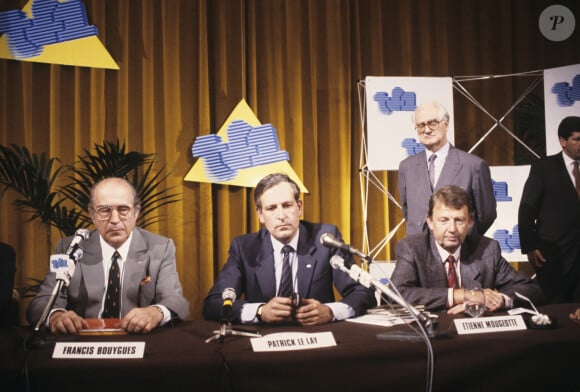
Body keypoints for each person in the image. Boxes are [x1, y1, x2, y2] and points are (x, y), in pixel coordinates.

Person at [203, 173, 372, 325]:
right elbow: (213, 304)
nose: (281, 216)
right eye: (271, 208)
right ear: (260, 215)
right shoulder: (244, 248)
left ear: (299, 207)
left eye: (287, 205)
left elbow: (363, 293)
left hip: (317, 338)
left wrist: (330, 311)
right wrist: (260, 311)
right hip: (263, 341)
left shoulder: (325, 240)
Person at [27, 177, 189, 334]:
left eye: (123, 210)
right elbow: (42, 301)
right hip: (84, 340)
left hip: (137, 338)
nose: (114, 220)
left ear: (136, 212)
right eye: (104, 210)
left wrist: (155, 312)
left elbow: (176, 301)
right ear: (92, 214)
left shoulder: (160, 248)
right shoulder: (69, 248)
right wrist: (56, 316)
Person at [391, 185, 543, 314]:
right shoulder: (412, 248)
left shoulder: (487, 249)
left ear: (470, 222)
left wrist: (500, 300)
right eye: (444, 220)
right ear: (430, 222)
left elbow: (532, 289)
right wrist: (463, 295)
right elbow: (395, 295)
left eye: (459, 220)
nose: (452, 229)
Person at [398, 101, 497, 236]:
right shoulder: (406, 167)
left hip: (460, 252)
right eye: (421, 125)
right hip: (418, 252)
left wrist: (461, 238)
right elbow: (407, 211)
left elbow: (486, 214)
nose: (426, 130)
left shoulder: (473, 166)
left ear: (446, 124)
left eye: (432, 123)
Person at [518, 116, 580, 303]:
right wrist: (530, 246)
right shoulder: (544, 167)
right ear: (563, 141)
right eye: (577, 139)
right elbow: (527, 210)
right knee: (557, 307)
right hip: (553, 256)